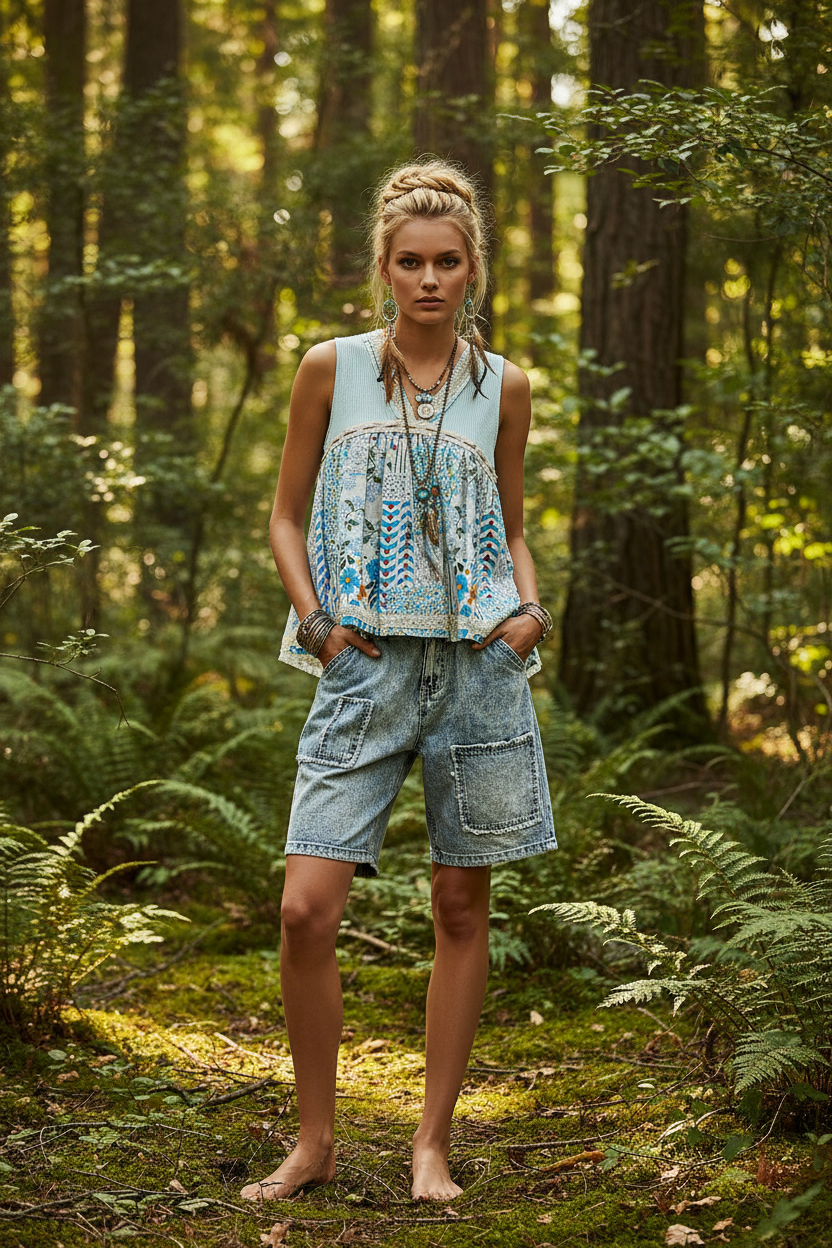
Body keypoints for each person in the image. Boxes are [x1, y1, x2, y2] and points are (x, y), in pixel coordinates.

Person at [241, 160, 557, 1206]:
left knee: (461, 907)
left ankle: (431, 1146)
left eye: (447, 262)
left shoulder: (503, 384)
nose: (429, 279)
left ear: (472, 270)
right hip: (363, 668)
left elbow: (511, 523)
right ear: (383, 267)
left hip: (478, 669)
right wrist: (319, 627)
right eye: (410, 261)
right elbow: (285, 516)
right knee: (305, 909)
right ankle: (315, 1142)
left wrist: (529, 614)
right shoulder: (329, 368)